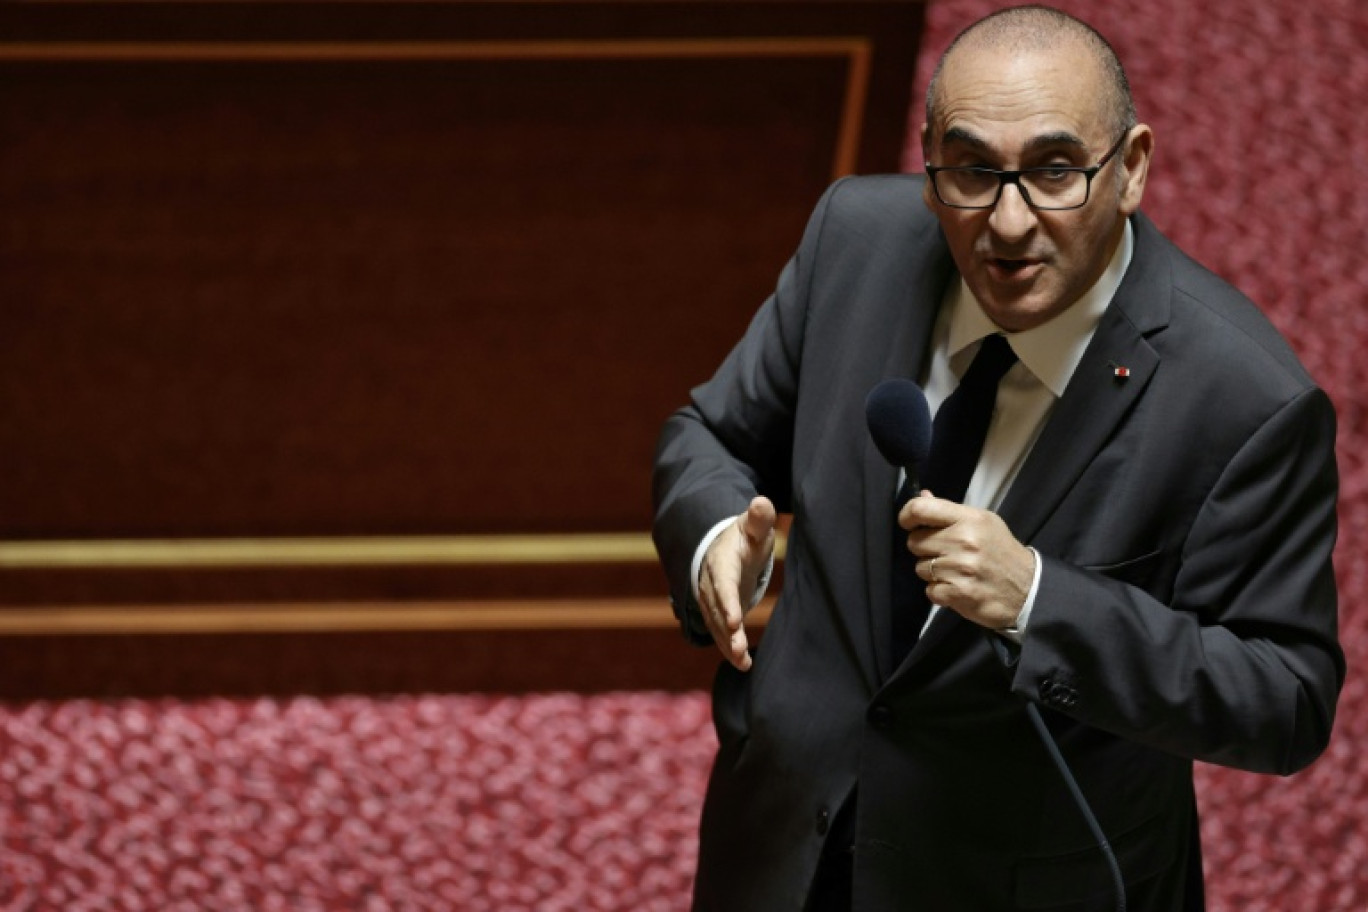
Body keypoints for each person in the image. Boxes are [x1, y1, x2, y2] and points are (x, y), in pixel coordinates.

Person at [650, 5, 1344, 911]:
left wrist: (1039, 602)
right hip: (785, 835)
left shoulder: (1244, 401)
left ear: (1131, 169)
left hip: (1020, 878)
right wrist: (715, 546)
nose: (1009, 223)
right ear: (932, 167)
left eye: (1055, 171)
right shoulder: (853, 240)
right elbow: (708, 436)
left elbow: (1284, 699)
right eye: (974, 171)